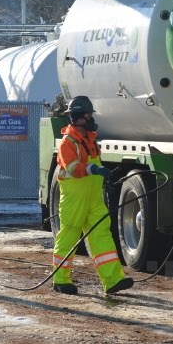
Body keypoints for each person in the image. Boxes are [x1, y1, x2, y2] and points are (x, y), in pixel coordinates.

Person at [52, 96, 133, 295]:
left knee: (102, 235)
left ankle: (113, 280)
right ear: (80, 118)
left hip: (94, 197)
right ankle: (60, 280)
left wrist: (104, 179)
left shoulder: (89, 139)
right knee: (69, 236)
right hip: (74, 198)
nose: (91, 118)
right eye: (88, 115)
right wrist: (94, 170)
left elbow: (94, 164)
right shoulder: (68, 142)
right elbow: (73, 168)